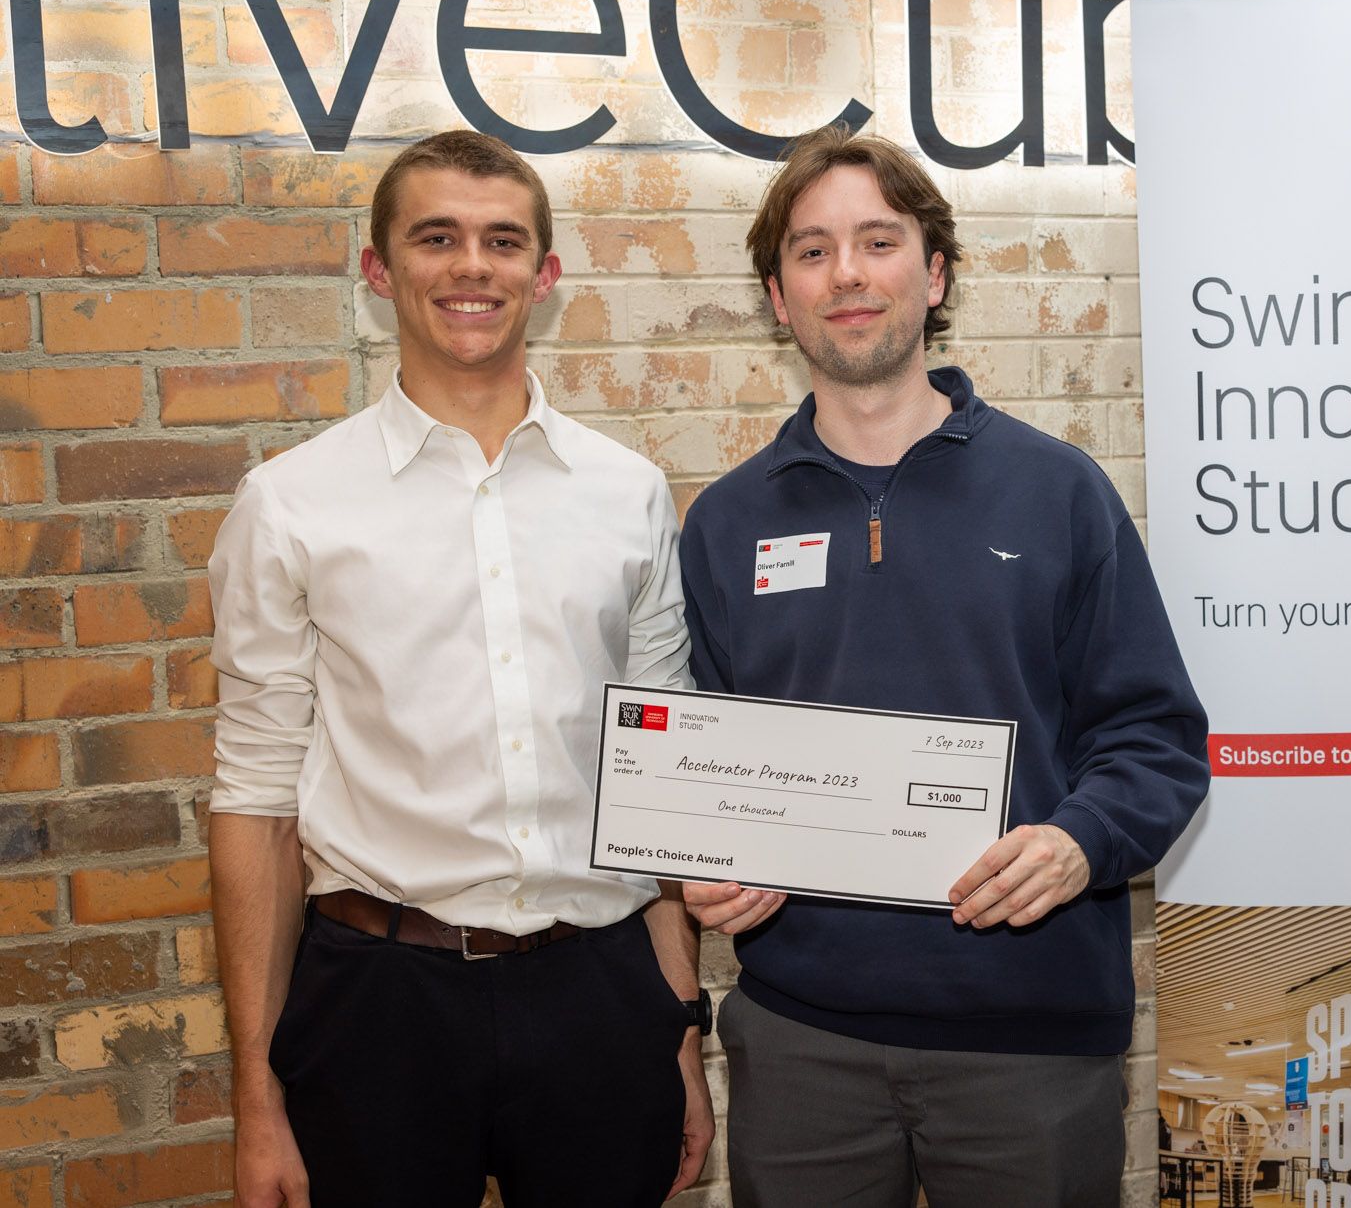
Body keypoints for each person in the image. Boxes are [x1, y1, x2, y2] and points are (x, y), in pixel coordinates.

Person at [679, 124, 1210, 1207]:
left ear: (936, 270)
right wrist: (705, 856)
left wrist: (1077, 840)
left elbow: (1154, 738)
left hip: (1029, 1042)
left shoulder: (1057, 491)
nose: (848, 275)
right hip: (800, 1042)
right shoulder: (726, 523)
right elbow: (704, 757)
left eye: (877, 241)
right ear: (778, 296)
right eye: (813, 250)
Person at [207, 130, 712, 1208]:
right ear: (379, 269)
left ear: (545, 273)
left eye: (501, 241)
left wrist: (678, 1026)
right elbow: (252, 801)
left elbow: (658, 783)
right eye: (435, 238)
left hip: (600, 988)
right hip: (379, 1001)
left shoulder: (625, 493)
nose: (470, 266)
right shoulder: (291, 501)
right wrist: (257, 1090)